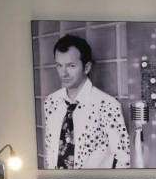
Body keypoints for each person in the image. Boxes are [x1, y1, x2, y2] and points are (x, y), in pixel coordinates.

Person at [43, 34, 130, 169]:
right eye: (59, 65)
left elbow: (124, 159)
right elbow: (50, 151)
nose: (63, 73)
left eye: (71, 66)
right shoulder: (51, 102)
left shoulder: (107, 105)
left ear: (87, 67)